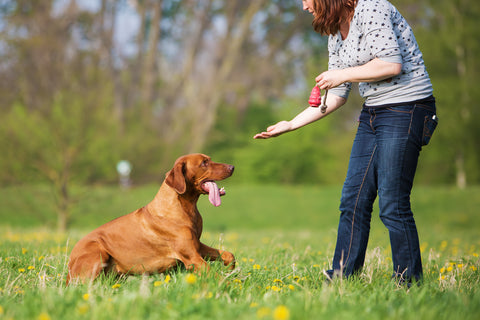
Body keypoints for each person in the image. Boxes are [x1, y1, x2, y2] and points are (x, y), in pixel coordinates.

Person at [254, 0, 438, 284]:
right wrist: (290, 124)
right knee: (353, 199)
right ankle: (341, 277)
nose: (304, 7)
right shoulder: (335, 32)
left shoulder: (372, 7)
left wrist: (341, 74)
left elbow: (391, 64)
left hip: (408, 107)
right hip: (373, 111)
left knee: (392, 203)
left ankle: (408, 282)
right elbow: (337, 95)